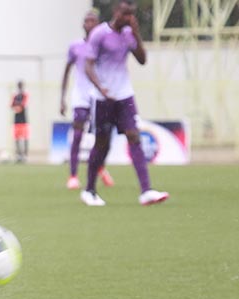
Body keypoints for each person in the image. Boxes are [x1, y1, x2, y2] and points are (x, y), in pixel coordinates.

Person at [81, 0, 169, 206]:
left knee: (134, 136)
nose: (127, 18)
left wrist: (137, 34)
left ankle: (146, 191)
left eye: (131, 14)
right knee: (102, 145)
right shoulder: (100, 34)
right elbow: (88, 66)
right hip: (103, 98)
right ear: (115, 12)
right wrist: (100, 86)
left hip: (124, 96)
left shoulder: (129, 35)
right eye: (124, 13)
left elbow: (142, 59)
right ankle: (89, 190)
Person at [60, 8, 114, 190]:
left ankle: (100, 168)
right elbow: (67, 71)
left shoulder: (103, 46)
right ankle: (73, 175)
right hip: (81, 96)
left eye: (93, 21)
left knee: (102, 137)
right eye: (86, 21)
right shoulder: (75, 46)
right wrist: (62, 99)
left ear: (98, 24)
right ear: (83, 24)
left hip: (99, 96)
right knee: (77, 134)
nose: (89, 24)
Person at [10, 80, 29, 163]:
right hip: (16, 120)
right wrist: (17, 106)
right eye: (19, 85)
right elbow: (11, 105)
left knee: (25, 138)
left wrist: (17, 106)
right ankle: (18, 155)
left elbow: (23, 105)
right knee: (17, 138)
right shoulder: (15, 95)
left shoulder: (25, 95)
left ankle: (25, 155)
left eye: (21, 85)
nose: (20, 87)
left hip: (24, 120)